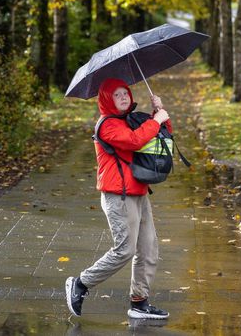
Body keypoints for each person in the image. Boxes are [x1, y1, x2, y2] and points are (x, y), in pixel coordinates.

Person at [65, 77, 171, 320]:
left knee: (148, 249)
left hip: (139, 192)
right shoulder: (107, 125)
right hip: (118, 196)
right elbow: (134, 141)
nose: (124, 97)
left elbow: (160, 137)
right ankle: (81, 283)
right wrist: (155, 121)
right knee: (125, 250)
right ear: (106, 99)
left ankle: (139, 302)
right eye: (117, 95)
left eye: (126, 93)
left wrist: (160, 113)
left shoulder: (130, 119)